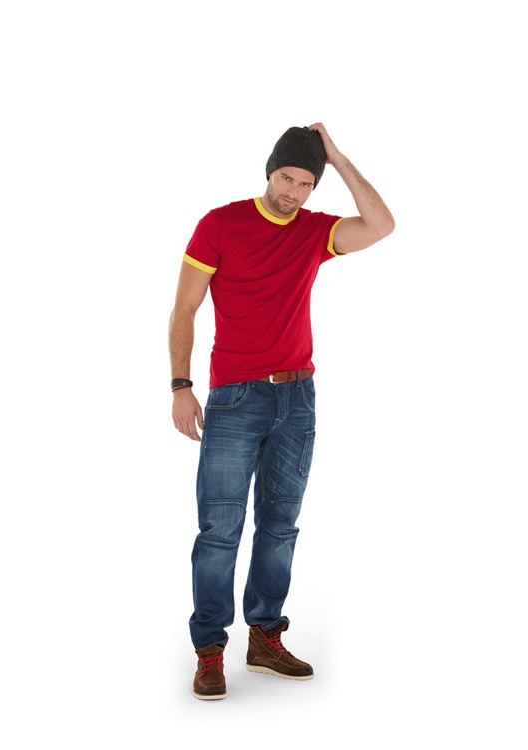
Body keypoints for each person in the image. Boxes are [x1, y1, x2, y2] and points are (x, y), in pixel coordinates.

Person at [168, 122, 395, 700]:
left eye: (305, 182)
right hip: (235, 397)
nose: (293, 191)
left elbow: (381, 225)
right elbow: (185, 308)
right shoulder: (220, 224)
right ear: (269, 172)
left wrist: (337, 157)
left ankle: (264, 637)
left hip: (297, 398)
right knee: (219, 529)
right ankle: (209, 650)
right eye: (286, 178)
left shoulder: (316, 232)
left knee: (280, 525)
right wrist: (181, 385)